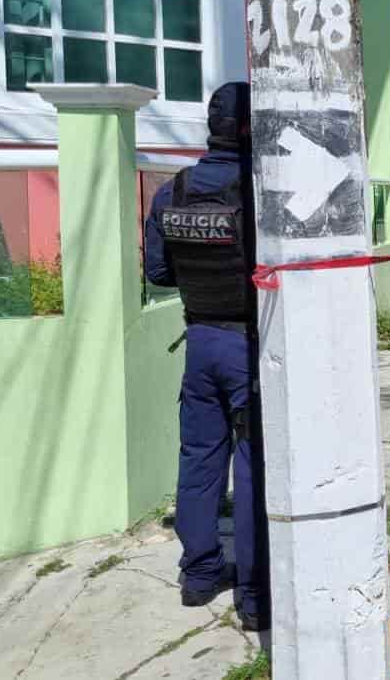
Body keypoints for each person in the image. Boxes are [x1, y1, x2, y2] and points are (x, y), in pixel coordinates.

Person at [143, 82, 268, 632]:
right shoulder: (259, 191)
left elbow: (158, 272)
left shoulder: (175, 191)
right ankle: (254, 594)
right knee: (253, 466)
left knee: (199, 460)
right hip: (248, 344)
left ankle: (198, 576)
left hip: (200, 343)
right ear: (249, 129)